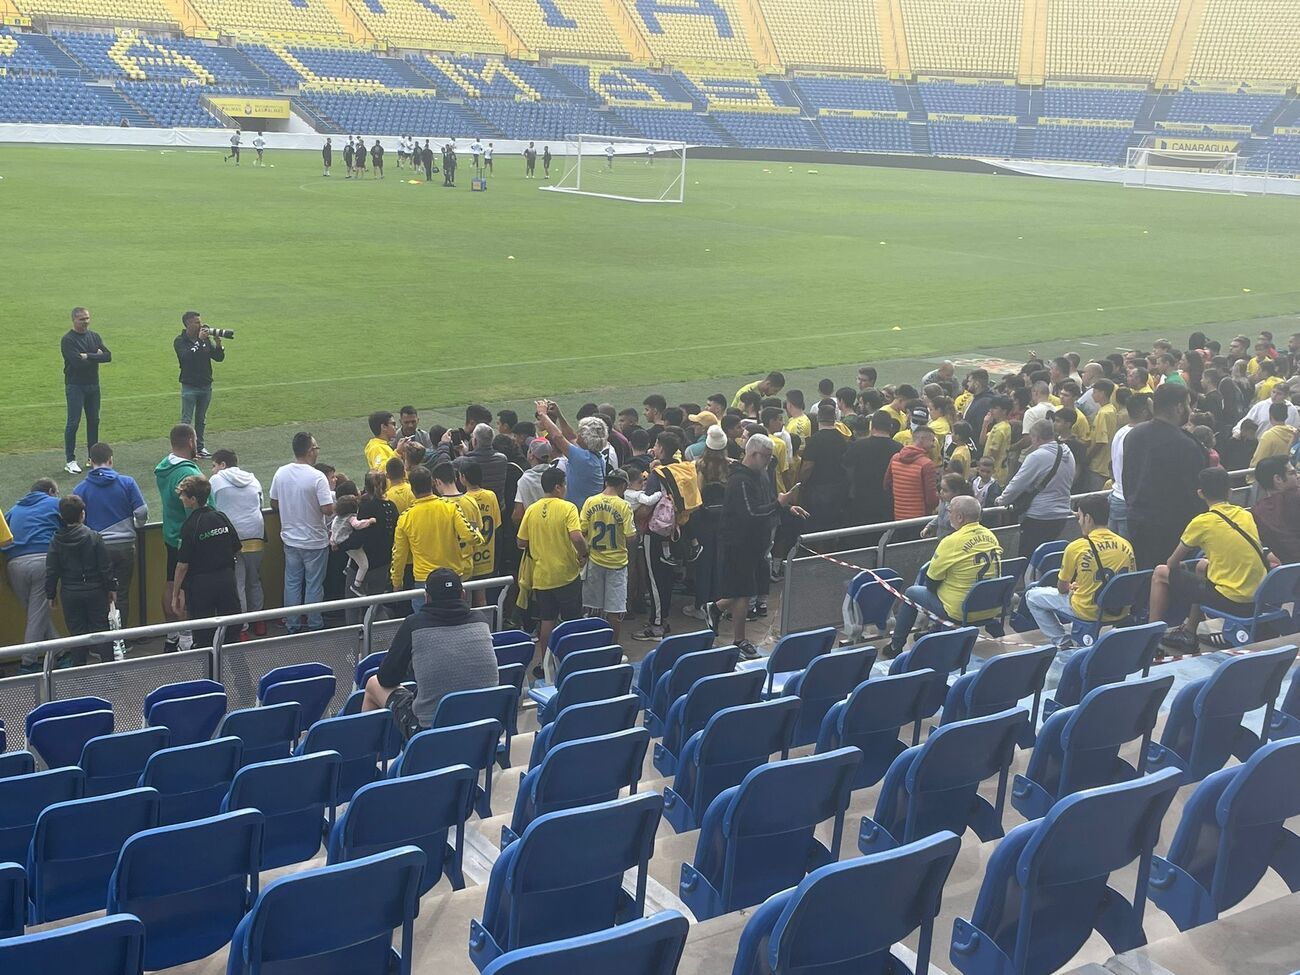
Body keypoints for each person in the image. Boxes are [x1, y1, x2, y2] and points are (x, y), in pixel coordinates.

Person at [703, 434, 808, 660]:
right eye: (767, 457)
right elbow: (750, 513)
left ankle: (717, 610)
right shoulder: (739, 480)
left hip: (754, 543)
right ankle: (738, 638)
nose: (770, 461)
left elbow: (768, 501)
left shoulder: (760, 475)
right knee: (743, 591)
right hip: (737, 543)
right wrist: (778, 504)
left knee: (746, 589)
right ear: (753, 454)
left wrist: (786, 508)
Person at [1149, 467, 1272, 654]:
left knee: (1160, 573)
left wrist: (1178, 566)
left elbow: (1172, 562)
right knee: (1202, 565)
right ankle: (1190, 632)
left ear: (1200, 493)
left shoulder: (1202, 522)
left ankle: (1149, 640)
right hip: (1257, 596)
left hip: (1231, 599)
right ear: (1230, 492)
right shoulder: (1245, 515)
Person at [361, 568, 498, 727]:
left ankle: (369, 751)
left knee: (372, 684)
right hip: (483, 726)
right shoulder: (481, 620)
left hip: (429, 730)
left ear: (427, 597)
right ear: (463, 595)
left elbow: (386, 678)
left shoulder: (414, 625)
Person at [888, 496, 1001, 654]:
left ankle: (895, 646)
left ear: (960, 517)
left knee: (912, 593)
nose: (947, 515)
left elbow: (931, 582)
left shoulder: (951, 541)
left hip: (961, 612)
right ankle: (935, 629)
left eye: (950, 511)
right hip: (991, 607)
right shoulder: (991, 536)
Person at [1024, 495, 1136, 650]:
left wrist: (1071, 587)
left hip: (1088, 611)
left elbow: (1062, 588)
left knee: (1032, 596)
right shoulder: (1126, 544)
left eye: (1080, 516)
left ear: (1088, 518)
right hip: (1120, 610)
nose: (1079, 521)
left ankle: (1062, 641)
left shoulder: (1076, 547)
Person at [1123, 384, 1208, 570]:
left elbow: (1127, 479)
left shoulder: (1134, 434)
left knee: (1145, 575)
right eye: (1188, 405)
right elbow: (1195, 493)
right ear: (1179, 407)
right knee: (1170, 581)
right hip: (1172, 529)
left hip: (1137, 521)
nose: (1190, 410)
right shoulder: (1185, 444)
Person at [517, 467, 586, 670]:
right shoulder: (568, 508)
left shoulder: (532, 510)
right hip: (566, 573)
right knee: (571, 621)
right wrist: (584, 553)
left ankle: (545, 663)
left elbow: (521, 541)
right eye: (564, 485)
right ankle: (572, 661)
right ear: (557, 487)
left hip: (541, 576)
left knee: (546, 621)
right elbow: (576, 536)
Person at [73, 442, 147, 630]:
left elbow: (76, 522)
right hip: (125, 546)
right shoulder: (127, 482)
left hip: (97, 548)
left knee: (99, 593)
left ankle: (103, 644)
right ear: (111, 460)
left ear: (90, 462)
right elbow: (141, 511)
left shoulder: (80, 489)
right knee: (121, 593)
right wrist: (135, 526)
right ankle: (121, 641)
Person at [269, 432, 335, 633]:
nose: (317, 452)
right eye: (316, 448)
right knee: (314, 585)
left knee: (292, 583)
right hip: (315, 541)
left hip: (290, 540)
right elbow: (327, 509)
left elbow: (274, 502)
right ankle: (315, 624)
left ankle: (293, 624)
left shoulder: (281, 473)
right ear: (309, 451)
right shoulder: (317, 477)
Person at [44, 494, 116, 666]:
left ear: (61, 516)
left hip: (70, 592)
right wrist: (111, 588)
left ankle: (79, 673)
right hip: (95, 590)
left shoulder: (56, 541)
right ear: (82, 514)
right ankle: (110, 673)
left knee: (76, 634)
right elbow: (105, 566)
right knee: (102, 632)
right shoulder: (94, 537)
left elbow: (52, 570)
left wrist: (50, 594)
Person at [171, 475, 241, 649]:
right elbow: (237, 547)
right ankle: (241, 674)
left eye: (183, 495)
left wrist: (175, 595)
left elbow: (182, 565)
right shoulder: (221, 517)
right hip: (226, 580)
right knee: (232, 631)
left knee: (203, 635)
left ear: (193, 500)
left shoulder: (190, 525)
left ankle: (209, 673)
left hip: (201, 585)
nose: (181, 498)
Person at [390, 465, 482, 592]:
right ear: (432, 483)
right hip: (453, 575)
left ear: (412, 489)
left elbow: (399, 555)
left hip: (425, 580)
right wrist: (478, 533)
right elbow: (471, 537)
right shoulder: (451, 508)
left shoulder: (405, 518)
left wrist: (397, 583)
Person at [155, 424, 204, 652]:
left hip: (171, 535)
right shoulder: (189, 473)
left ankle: (172, 634)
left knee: (171, 583)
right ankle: (185, 637)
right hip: (188, 538)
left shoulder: (164, 468)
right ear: (191, 442)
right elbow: (200, 512)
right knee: (184, 589)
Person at [3, 480, 62, 668]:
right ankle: (27, 663)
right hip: (42, 563)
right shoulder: (55, 503)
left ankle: (60, 653)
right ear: (51, 491)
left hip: (14, 566)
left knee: (37, 615)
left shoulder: (13, 511)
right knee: (37, 616)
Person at [997, 420, 1075, 558]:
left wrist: (1001, 500)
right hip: (1062, 515)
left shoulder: (1037, 456)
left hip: (1039, 516)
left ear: (1037, 438)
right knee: (1049, 558)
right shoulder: (1067, 451)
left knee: (1029, 559)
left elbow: (1017, 483)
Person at [209, 448, 265, 636]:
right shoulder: (254, 479)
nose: (213, 470)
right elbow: (260, 503)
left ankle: (242, 628)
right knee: (254, 580)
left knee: (238, 583)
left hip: (231, 538)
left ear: (223, 464)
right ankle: (259, 621)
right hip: (256, 534)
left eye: (214, 465)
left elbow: (211, 508)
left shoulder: (216, 480)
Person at [61, 307, 112, 474]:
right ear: (74, 320)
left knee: (94, 421)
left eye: (87, 318)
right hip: (75, 386)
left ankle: (93, 457)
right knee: (73, 422)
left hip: (93, 385)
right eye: (82, 319)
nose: (86, 322)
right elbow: (77, 362)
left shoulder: (94, 336)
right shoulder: (68, 340)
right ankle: (70, 460)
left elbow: (108, 356)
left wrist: (87, 355)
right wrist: (95, 355)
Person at [534, 400, 607, 508]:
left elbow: (558, 437)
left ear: (586, 438)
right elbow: (571, 437)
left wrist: (543, 415)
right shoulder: (595, 456)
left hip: (579, 514)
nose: (577, 433)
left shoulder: (583, 459)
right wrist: (559, 415)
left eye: (580, 432)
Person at [175, 311, 225, 458]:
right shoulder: (180, 341)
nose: (200, 325)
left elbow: (219, 358)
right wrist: (199, 341)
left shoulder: (205, 339)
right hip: (189, 386)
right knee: (186, 421)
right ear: (188, 324)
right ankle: (184, 450)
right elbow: (186, 357)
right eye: (197, 322)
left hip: (205, 385)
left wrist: (218, 343)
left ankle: (200, 447)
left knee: (201, 420)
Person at [843, 410, 901, 524]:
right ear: (890, 427)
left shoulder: (858, 446)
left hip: (861, 500)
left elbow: (846, 469)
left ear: (872, 426)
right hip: (888, 501)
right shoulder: (899, 448)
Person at [798, 402, 849, 531]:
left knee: (817, 525)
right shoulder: (842, 438)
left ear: (818, 418)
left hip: (818, 490)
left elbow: (807, 467)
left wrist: (801, 483)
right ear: (835, 418)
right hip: (839, 487)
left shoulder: (815, 440)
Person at [462, 461, 501, 605]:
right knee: (481, 597)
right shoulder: (491, 496)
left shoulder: (464, 501)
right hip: (487, 557)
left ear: (463, 478)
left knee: (466, 598)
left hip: (470, 558)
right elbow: (497, 525)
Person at [1252, 455, 1300, 564]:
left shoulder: (1257, 513)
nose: (1298, 476)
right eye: (1292, 473)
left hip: (1289, 572)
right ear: (1278, 479)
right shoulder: (1296, 497)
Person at [885, 426, 939, 519]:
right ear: (922, 440)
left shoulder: (895, 458)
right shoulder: (927, 464)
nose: (933, 445)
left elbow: (886, 484)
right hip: (919, 519)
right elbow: (931, 500)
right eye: (932, 440)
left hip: (898, 516)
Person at [330, 493, 376, 597]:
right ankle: (357, 585)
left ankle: (347, 567)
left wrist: (332, 542)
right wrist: (369, 521)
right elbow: (358, 525)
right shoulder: (351, 517)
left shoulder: (337, 518)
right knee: (364, 565)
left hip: (338, 541)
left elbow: (333, 529)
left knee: (352, 555)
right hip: (347, 541)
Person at [1249, 401, 1297, 467]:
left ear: (1270, 416)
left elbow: (1258, 461)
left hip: (1271, 474)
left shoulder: (1268, 435)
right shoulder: (1295, 433)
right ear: (1286, 416)